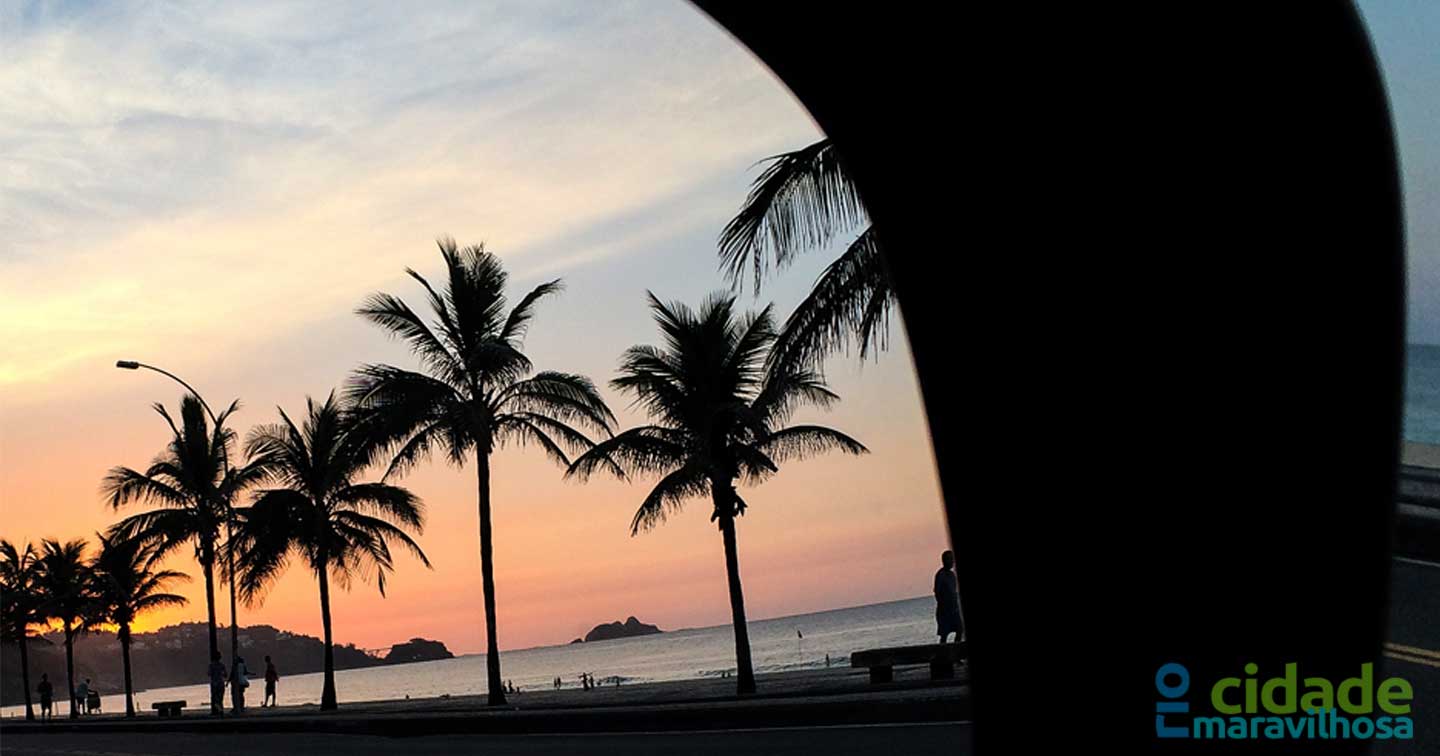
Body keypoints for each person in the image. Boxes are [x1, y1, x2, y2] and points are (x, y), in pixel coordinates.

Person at [934, 549, 964, 643]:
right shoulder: (941, 575)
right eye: (949, 559)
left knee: (960, 629)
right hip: (944, 611)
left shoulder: (952, 575)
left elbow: (953, 592)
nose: (951, 562)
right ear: (944, 561)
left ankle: (955, 651)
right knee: (944, 634)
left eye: (952, 559)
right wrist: (943, 605)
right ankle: (943, 653)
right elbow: (937, 592)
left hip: (954, 610)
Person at [208, 651, 228, 716]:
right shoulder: (222, 665)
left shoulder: (211, 665)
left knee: (215, 699)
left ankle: (219, 710)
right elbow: (225, 674)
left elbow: (209, 673)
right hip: (221, 683)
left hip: (214, 684)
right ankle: (220, 710)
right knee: (220, 698)